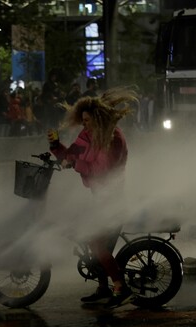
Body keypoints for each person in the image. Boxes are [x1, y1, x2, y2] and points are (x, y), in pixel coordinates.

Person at [47, 87, 139, 309]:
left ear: (97, 118)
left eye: (87, 120)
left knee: (96, 242)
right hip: (99, 198)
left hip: (113, 201)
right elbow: (72, 155)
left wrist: (75, 164)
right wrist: (55, 146)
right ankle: (103, 288)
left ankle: (121, 287)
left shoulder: (114, 138)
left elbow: (102, 170)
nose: (83, 124)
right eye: (83, 120)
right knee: (91, 241)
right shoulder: (87, 136)